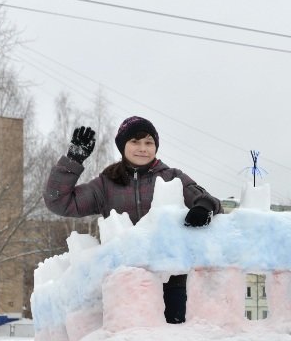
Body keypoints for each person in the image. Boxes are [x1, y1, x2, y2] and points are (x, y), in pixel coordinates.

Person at [44, 116, 222, 324]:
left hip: (174, 282)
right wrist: (73, 160)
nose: (142, 148)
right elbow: (58, 201)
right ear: (122, 146)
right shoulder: (106, 184)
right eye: (135, 142)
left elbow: (207, 199)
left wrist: (203, 207)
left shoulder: (171, 177)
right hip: (125, 282)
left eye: (149, 143)